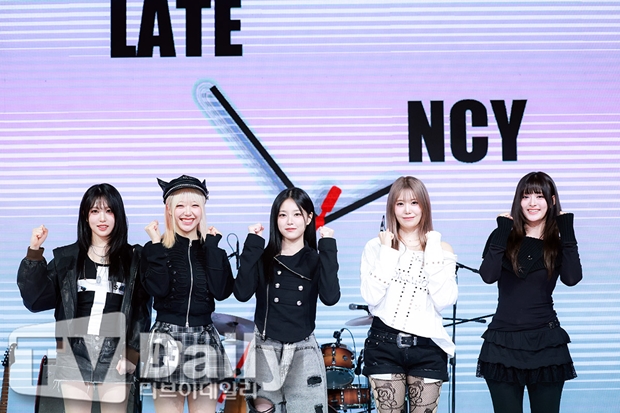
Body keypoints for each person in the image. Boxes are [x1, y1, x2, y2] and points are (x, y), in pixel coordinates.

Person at [17, 183, 152, 413]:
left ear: (118, 215)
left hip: (116, 353)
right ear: (85, 215)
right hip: (74, 352)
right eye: (95, 211)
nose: (102, 218)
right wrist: (34, 251)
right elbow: (35, 300)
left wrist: (131, 354)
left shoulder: (133, 260)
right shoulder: (67, 259)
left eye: (109, 211)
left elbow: (141, 309)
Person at [476, 171, 582, 413]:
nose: (532, 203)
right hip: (503, 343)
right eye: (526, 196)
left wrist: (567, 231)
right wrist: (503, 231)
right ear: (518, 200)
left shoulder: (557, 241)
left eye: (539, 196)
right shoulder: (503, 235)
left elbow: (572, 278)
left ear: (552, 200)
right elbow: (488, 276)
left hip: (546, 343)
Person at [234, 187, 340, 413]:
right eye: (283, 215)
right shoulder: (264, 257)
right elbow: (241, 293)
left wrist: (328, 247)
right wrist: (252, 244)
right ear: (275, 219)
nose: (289, 221)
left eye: (297, 214)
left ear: (309, 218)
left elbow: (331, 298)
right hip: (265, 349)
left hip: (303, 350)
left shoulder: (315, 259)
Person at [360, 176, 458, 413]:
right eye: (400, 203)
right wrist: (387, 251)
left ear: (424, 206)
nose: (407, 210)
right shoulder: (375, 246)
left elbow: (444, 300)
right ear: (392, 207)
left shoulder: (441, 249)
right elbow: (371, 297)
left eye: (414, 203)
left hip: (428, 347)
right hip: (383, 344)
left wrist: (432, 247)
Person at [140, 175, 234, 413]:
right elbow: (157, 290)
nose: (188, 212)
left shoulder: (213, 249)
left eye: (195, 205)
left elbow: (222, 291)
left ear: (202, 209)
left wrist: (212, 248)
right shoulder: (155, 249)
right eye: (180, 205)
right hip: (166, 338)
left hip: (204, 337)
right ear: (169, 209)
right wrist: (156, 245)